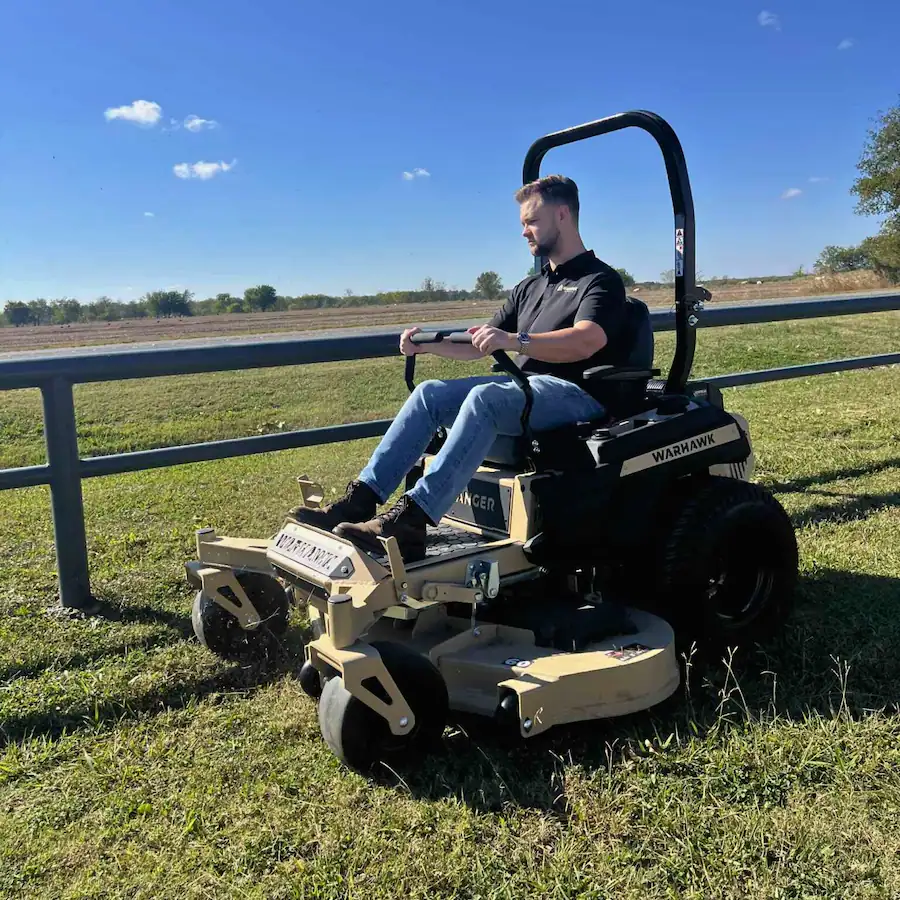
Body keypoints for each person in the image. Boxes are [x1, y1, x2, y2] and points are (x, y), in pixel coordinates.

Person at [291, 174, 628, 561]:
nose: (524, 232)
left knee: (486, 397)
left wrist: (516, 341)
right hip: (525, 388)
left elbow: (587, 340)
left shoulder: (599, 280)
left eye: (531, 221)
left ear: (563, 215)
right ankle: (360, 501)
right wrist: (427, 343)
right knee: (429, 393)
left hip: (577, 392)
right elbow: (480, 344)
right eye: (522, 224)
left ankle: (412, 520)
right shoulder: (530, 287)